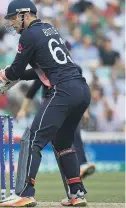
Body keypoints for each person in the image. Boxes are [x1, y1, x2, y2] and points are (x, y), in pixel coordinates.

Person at [0, 0, 91, 207]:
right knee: (63, 143)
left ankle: (25, 193)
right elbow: (40, 70)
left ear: (24, 14)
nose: (12, 23)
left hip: (62, 90)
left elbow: (16, 70)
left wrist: (5, 75)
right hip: (81, 89)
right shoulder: (49, 29)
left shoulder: (29, 34)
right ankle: (76, 193)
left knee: (33, 139)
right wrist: (12, 76)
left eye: (12, 18)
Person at [17, 41, 96, 181]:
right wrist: (22, 109)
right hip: (50, 107)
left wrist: (86, 111)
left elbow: (80, 87)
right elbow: (32, 90)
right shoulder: (48, 67)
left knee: (68, 138)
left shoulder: (75, 68)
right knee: (57, 142)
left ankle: (77, 173)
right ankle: (74, 179)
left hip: (67, 105)